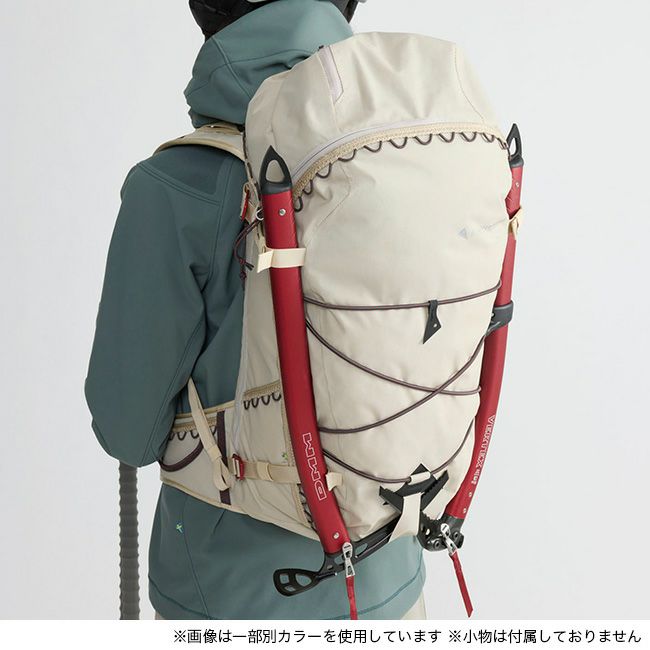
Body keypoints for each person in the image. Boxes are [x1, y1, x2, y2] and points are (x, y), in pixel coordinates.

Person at [85, 0, 426, 620]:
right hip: (394, 583)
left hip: (234, 596)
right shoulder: (405, 151)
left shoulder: (177, 183)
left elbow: (126, 431)